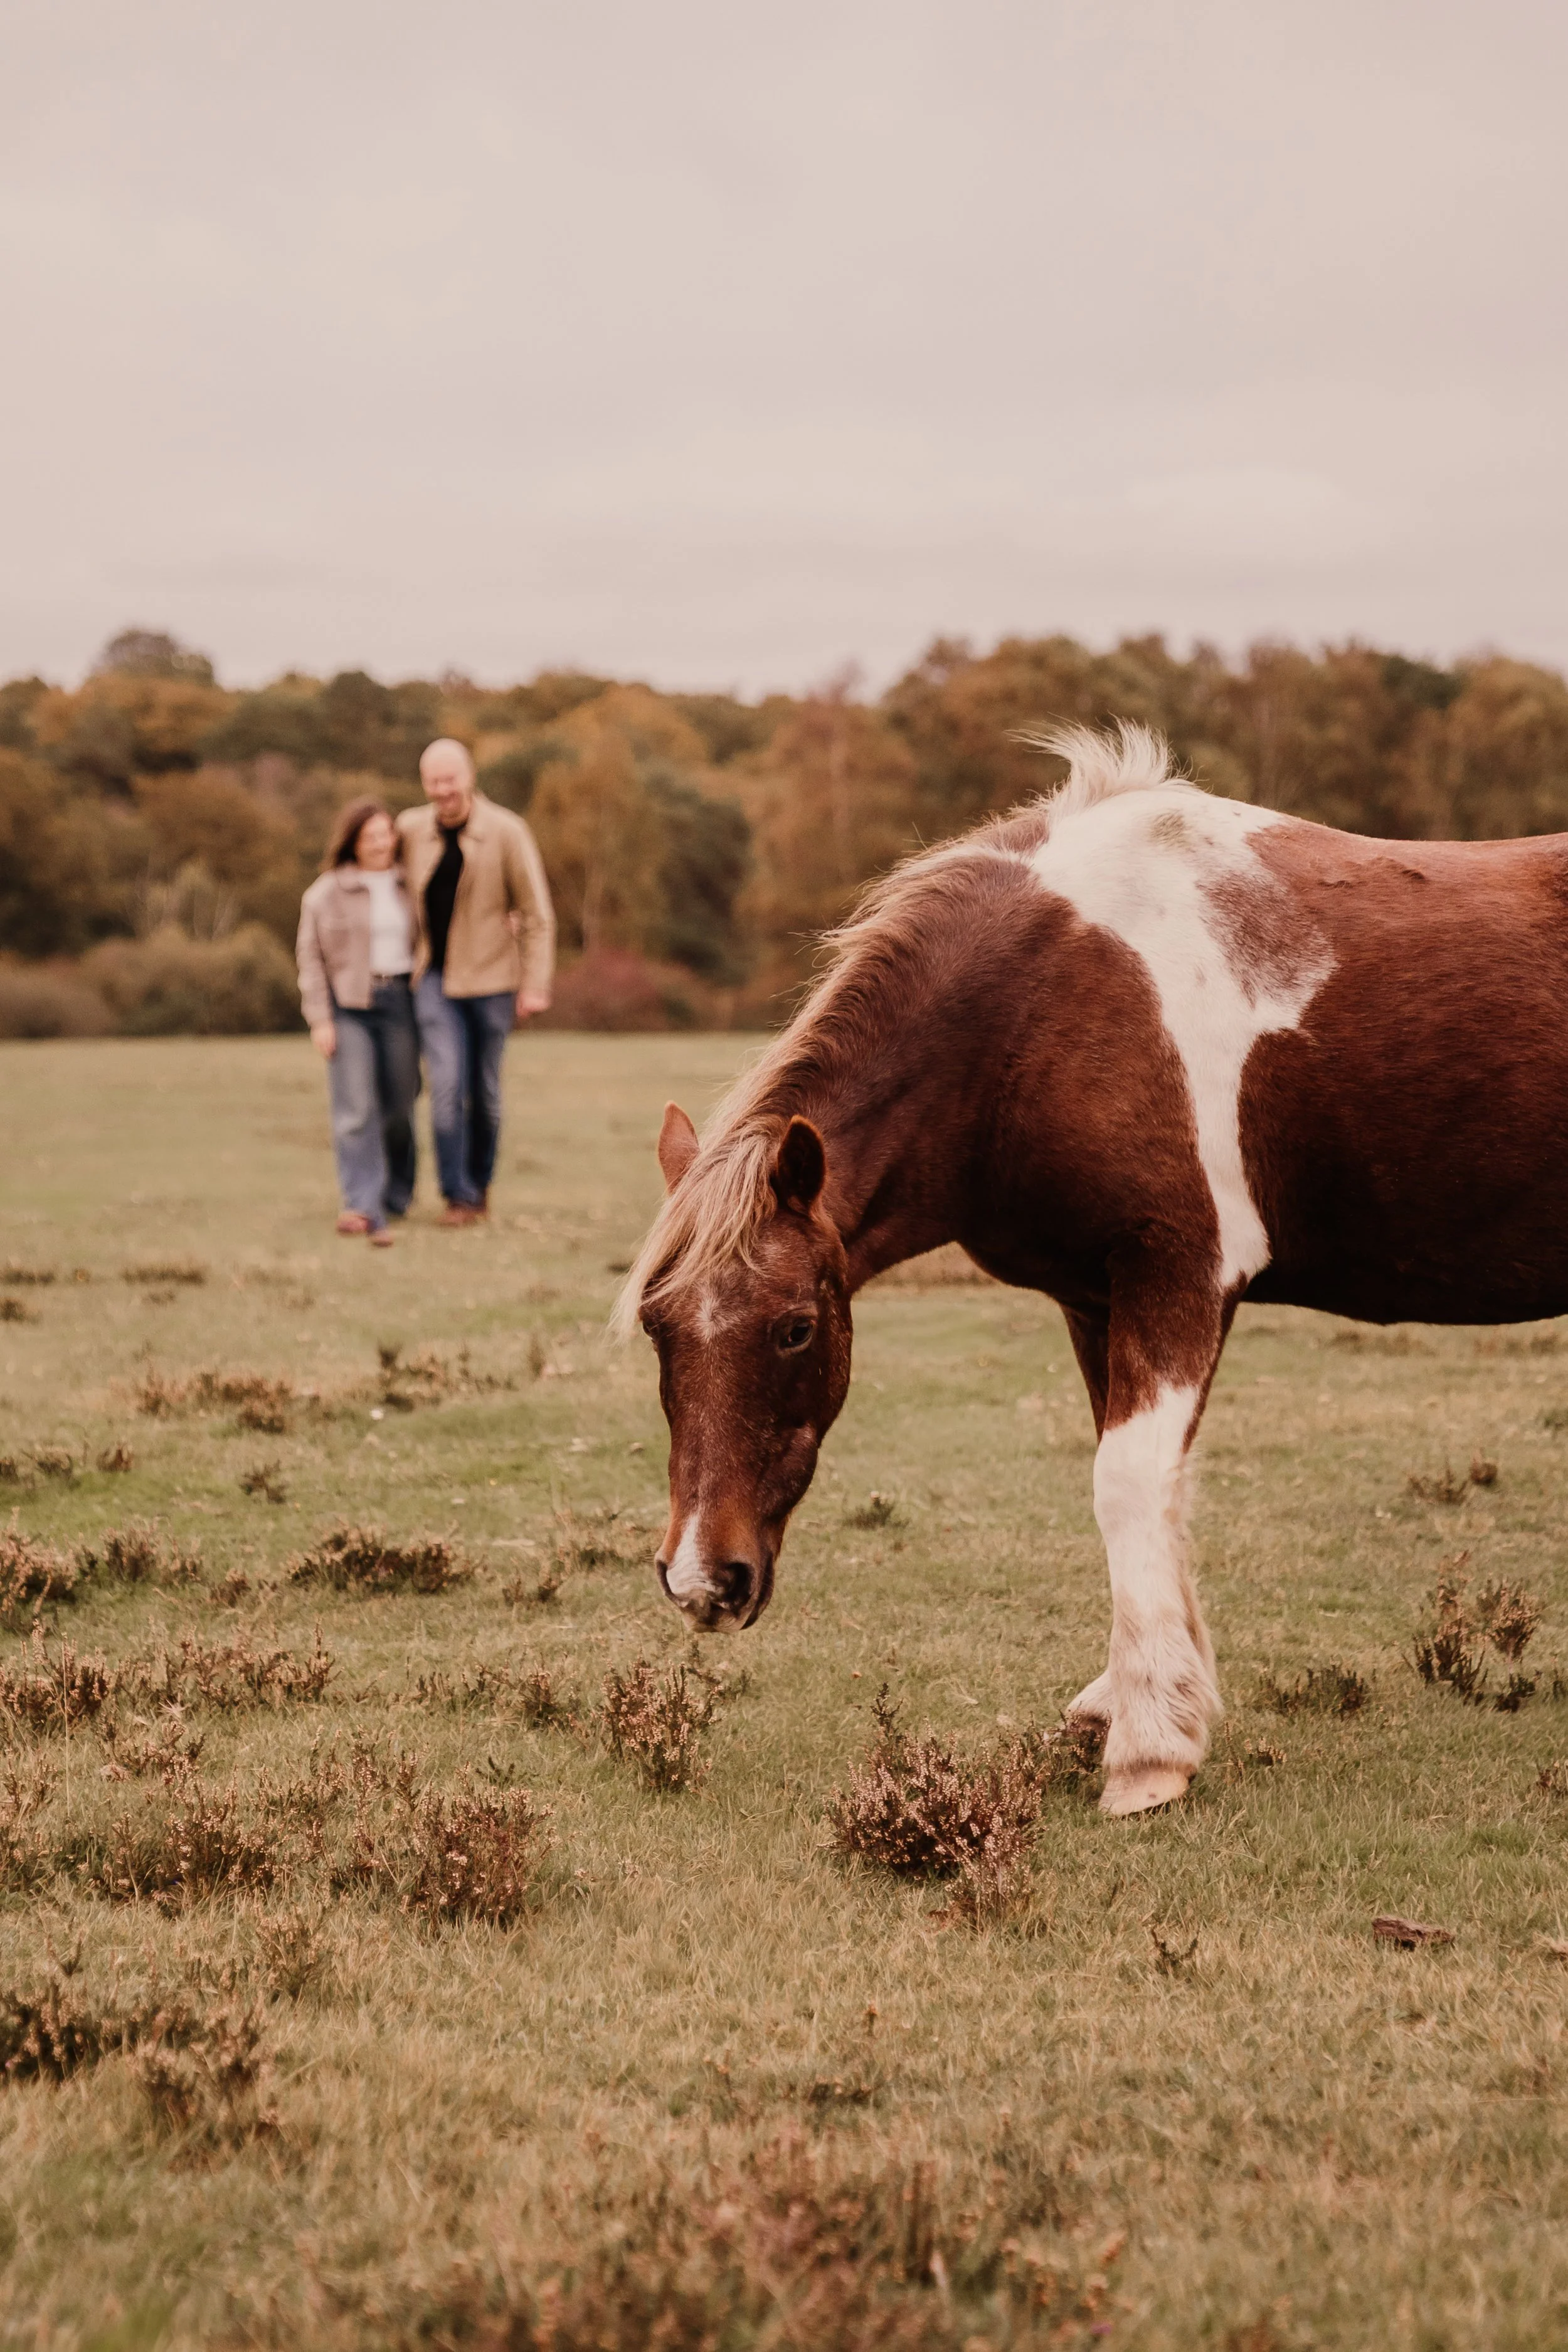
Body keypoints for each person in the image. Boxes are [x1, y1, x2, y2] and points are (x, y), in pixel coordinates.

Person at [398, 738, 555, 1227]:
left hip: (492, 980)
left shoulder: (507, 831)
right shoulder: (410, 829)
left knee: (483, 1092)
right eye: (434, 782)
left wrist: (534, 984)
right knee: (446, 1087)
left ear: (469, 777)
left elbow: (536, 913)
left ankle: (480, 1182)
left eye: (451, 779)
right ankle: (458, 1196)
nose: (443, 790)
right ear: (424, 784)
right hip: (434, 979)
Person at [296, 797, 420, 1246]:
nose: (381, 844)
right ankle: (361, 1205)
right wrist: (320, 1019)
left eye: (386, 835)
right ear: (353, 842)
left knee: (400, 1108)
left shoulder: (411, 884)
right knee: (356, 1110)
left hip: (401, 1002)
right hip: (349, 1007)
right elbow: (310, 958)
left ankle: (397, 1193)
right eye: (370, 837)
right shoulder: (325, 893)